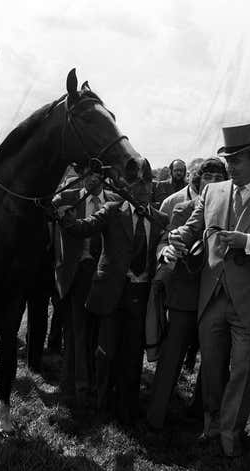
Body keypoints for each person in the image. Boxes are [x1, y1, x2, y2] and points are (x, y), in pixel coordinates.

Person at [166, 122, 250, 456]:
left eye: (237, 160)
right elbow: (193, 227)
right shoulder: (213, 191)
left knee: (242, 370)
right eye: (228, 159)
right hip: (212, 297)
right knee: (211, 366)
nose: (230, 166)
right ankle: (211, 423)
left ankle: (231, 432)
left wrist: (249, 242)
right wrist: (174, 238)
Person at [61, 164, 169, 424]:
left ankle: (127, 404)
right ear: (126, 187)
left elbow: (164, 245)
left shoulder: (160, 219)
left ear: (153, 185)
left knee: (133, 352)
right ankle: (101, 400)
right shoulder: (112, 210)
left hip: (140, 294)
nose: (142, 188)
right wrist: (65, 218)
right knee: (106, 350)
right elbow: (83, 227)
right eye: (136, 183)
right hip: (111, 292)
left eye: (147, 183)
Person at [147, 157, 227, 430]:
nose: (213, 185)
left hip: (216, 297)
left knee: (212, 361)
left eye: (219, 180)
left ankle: (198, 415)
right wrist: (165, 252)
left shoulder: (232, 211)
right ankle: (156, 416)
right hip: (184, 296)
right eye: (208, 179)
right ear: (197, 180)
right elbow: (164, 242)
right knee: (171, 357)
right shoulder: (183, 209)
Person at [53, 172, 120, 406]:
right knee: (76, 330)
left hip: (106, 275)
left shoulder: (115, 201)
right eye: (87, 173)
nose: (92, 179)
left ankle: (100, 385)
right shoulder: (65, 198)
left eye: (97, 173)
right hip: (77, 272)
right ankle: (77, 386)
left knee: (100, 332)